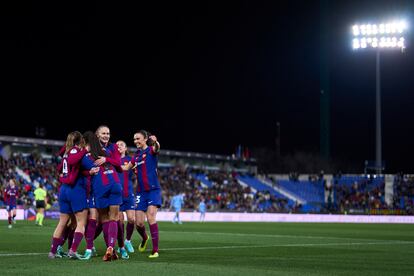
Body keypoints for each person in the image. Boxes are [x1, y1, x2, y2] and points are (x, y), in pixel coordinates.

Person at [81, 125, 123, 262]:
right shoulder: (109, 149)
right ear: (97, 135)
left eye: (108, 133)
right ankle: (111, 247)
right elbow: (119, 167)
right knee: (113, 218)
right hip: (115, 183)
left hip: (100, 186)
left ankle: (108, 248)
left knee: (105, 218)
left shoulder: (89, 151)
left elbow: (118, 164)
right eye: (103, 133)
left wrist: (105, 160)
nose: (106, 135)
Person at [48, 131, 89, 259]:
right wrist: (86, 151)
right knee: (81, 222)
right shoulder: (76, 151)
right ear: (80, 140)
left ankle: (52, 252)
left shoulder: (66, 152)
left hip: (63, 190)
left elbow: (61, 167)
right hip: (75, 189)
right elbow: (76, 162)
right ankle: (73, 250)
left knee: (62, 222)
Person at [125, 130, 161, 258]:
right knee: (139, 223)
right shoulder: (136, 156)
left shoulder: (151, 150)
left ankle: (155, 250)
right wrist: (108, 161)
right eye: (134, 139)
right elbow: (125, 168)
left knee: (151, 217)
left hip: (153, 190)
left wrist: (155, 141)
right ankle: (145, 237)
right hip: (141, 192)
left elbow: (157, 147)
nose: (135, 141)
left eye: (138, 138)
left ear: (145, 139)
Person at [116, 140, 136, 257]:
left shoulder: (130, 159)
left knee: (131, 219)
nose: (119, 146)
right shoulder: (113, 160)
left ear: (125, 148)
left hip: (128, 193)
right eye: (117, 145)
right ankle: (121, 244)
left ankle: (128, 240)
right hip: (117, 194)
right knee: (120, 221)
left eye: (121, 145)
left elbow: (137, 171)